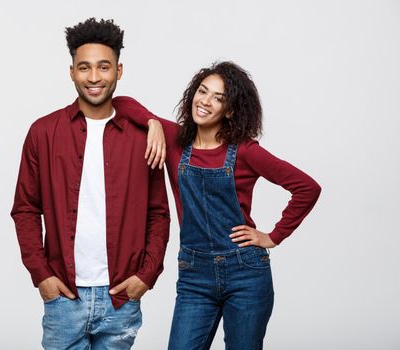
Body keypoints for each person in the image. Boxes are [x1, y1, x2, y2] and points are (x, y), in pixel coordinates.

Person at [115, 61, 321, 349]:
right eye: (202, 91)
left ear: (231, 110)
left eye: (218, 98)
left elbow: (307, 188)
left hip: (245, 274)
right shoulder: (175, 140)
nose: (206, 102)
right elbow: (121, 103)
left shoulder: (247, 151)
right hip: (194, 275)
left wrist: (273, 237)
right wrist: (152, 123)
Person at [10, 18, 170, 350]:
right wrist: (42, 275)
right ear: (71, 72)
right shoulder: (43, 133)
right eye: (84, 67)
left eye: (104, 67)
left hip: (120, 299)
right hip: (64, 296)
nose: (94, 78)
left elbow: (158, 213)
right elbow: (25, 209)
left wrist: (146, 275)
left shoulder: (144, 138)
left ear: (119, 71)